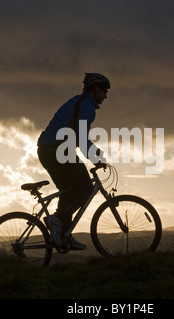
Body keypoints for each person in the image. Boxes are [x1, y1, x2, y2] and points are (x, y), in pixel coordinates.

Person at [37, 73, 110, 251]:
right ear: (96, 89)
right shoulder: (86, 107)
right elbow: (81, 136)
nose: (106, 96)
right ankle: (57, 220)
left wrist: (94, 154)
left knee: (69, 191)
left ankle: (63, 235)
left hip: (49, 150)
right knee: (84, 187)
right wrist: (96, 158)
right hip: (57, 149)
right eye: (104, 91)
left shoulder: (78, 101)